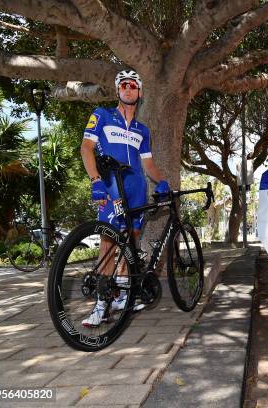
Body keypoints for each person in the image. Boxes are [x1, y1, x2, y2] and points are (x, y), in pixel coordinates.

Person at [79, 70, 170, 327]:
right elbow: (86, 149)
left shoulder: (143, 130)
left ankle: (119, 296)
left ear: (139, 92)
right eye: (123, 85)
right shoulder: (102, 115)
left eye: (133, 86)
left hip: (136, 188)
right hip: (111, 186)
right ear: (118, 91)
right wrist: (96, 180)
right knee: (108, 243)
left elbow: (148, 163)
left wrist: (162, 181)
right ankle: (101, 305)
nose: (128, 89)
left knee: (130, 242)